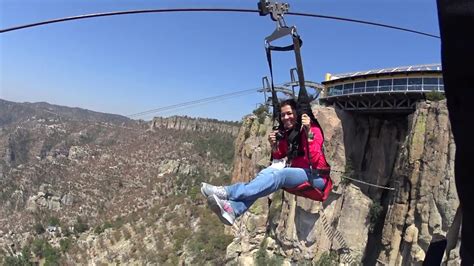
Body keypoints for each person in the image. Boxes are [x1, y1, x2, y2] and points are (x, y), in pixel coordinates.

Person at [201, 99, 330, 225]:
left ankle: (227, 192)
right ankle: (234, 209)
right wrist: (274, 145)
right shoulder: (292, 134)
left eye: (289, 113)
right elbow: (279, 155)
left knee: (281, 174)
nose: (285, 117)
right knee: (266, 174)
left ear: (298, 114)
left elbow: (315, 160)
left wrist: (309, 134)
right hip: (299, 175)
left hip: (316, 177)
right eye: (283, 114)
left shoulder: (313, 130)